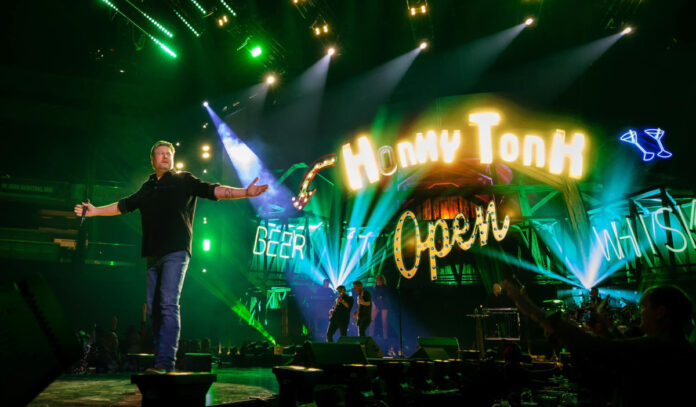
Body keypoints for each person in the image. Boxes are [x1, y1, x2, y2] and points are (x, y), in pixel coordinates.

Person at [74, 140, 268, 373]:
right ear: (153, 160)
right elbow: (123, 206)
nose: (165, 156)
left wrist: (245, 192)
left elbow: (213, 190)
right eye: (160, 153)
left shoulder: (183, 180)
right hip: (152, 256)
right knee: (155, 309)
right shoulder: (147, 188)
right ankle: (160, 360)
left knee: (167, 304)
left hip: (176, 251)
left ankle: (165, 363)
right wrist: (95, 211)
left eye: (169, 153)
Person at [502, 280, 696, 406]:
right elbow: (622, 351)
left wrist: (535, 312)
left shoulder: (661, 348)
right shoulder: (676, 347)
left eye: (644, 308)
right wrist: (606, 328)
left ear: (661, 312)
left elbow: (598, 348)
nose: (640, 313)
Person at [370, 275, 391, 339]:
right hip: (376, 304)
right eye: (377, 279)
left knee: (384, 320)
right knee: (372, 320)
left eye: (379, 279)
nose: (377, 280)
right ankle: (371, 335)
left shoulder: (385, 287)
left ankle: (385, 335)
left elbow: (386, 296)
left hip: (384, 304)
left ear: (382, 280)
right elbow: (373, 297)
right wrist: (375, 304)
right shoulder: (375, 287)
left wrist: (381, 298)